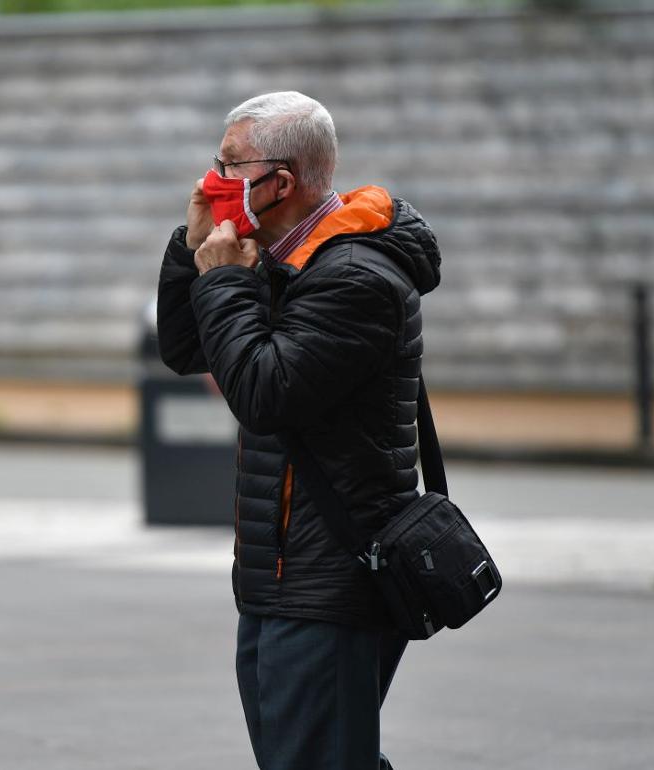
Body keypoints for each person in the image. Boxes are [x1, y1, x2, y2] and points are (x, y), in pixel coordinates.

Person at [156, 91, 441, 769]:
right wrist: (192, 248)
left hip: (330, 573)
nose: (211, 182)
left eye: (229, 166)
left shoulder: (352, 275)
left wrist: (225, 280)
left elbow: (262, 394)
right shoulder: (287, 256)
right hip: (278, 568)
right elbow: (188, 350)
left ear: (279, 182)